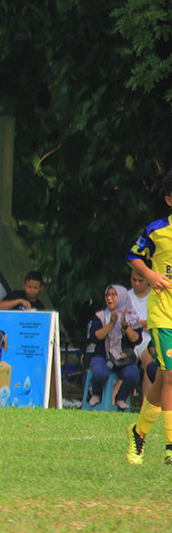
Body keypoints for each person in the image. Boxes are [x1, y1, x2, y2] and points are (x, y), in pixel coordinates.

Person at [127, 170, 172, 464]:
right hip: (163, 313)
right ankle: (171, 446)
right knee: (171, 377)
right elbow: (133, 256)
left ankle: (138, 432)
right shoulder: (156, 230)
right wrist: (151, 273)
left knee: (161, 382)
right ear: (169, 199)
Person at [86, 284, 141, 411]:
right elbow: (95, 337)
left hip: (124, 358)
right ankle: (95, 393)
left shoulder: (132, 317)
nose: (110, 298)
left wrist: (125, 326)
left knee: (133, 375)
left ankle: (121, 398)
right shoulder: (100, 316)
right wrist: (111, 324)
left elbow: (137, 340)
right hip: (103, 356)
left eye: (113, 295)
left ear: (121, 297)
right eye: (108, 295)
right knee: (100, 373)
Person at [128, 268, 154, 396]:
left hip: (146, 339)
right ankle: (114, 405)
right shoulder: (126, 297)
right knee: (122, 361)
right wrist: (144, 323)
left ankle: (145, 407)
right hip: (128, 339)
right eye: (133, 280)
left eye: (140, 281)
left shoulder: (155, 297)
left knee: (150, 363)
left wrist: (140, 324)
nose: (136, 284)